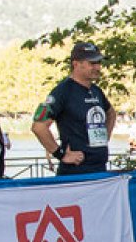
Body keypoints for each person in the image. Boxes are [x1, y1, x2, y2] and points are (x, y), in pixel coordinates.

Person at [31, 42, 116, 175]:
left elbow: (111, 113)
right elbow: (38, 127)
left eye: (99, 63)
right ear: (76, 64)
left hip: (100, 169)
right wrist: (60, 154)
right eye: (92, 63)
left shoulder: (96, 91)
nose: (98, 67)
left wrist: (104, 139)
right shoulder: (63, 91)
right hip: (76, 172)